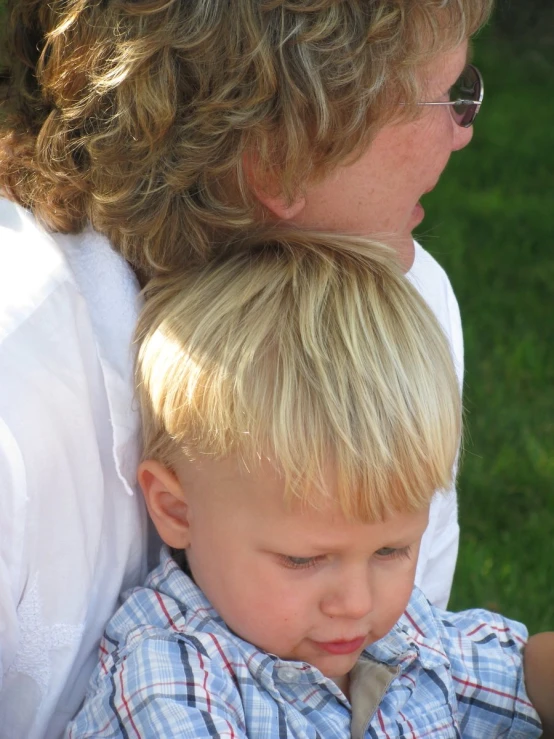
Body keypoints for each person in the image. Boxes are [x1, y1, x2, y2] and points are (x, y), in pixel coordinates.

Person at [0, 1, 493, 735]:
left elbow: (425, 658)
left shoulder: (398, 312)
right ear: (286, 151)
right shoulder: (19, 382)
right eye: (444, 97)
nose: (465, 131)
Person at [66, 231, 552, 737]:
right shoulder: (170, 684)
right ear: (177, 510)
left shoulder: (400, 637)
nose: (357, 602)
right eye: (304, 560)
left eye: (392, 550)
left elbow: (523, 671)